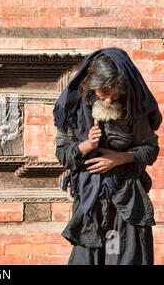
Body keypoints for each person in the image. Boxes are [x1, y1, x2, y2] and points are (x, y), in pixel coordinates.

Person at [53, 47, 162, 265]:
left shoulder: (132, 110)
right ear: (90, 88)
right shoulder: (73, 112)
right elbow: (63, 154)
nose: (110, 100)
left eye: (115, 94)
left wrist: (120, 157)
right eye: (104, 94)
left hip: (127, 202)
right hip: (90, 204)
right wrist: (85, 145)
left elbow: (150, 149)